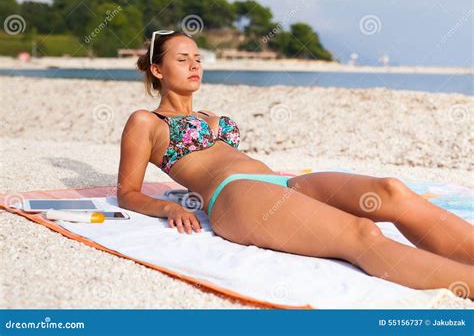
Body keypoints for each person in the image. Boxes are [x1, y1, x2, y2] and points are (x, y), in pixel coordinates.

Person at [117, 31, 473, 298]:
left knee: (390, 190)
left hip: (283, 184)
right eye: (182, 59)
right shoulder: (145, 122)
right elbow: (127, 192)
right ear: (157, 69)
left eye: (197, 57)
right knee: (362, 234)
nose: (194, 65)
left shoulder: (211, 115)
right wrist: (166, 207)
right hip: (235, 198)